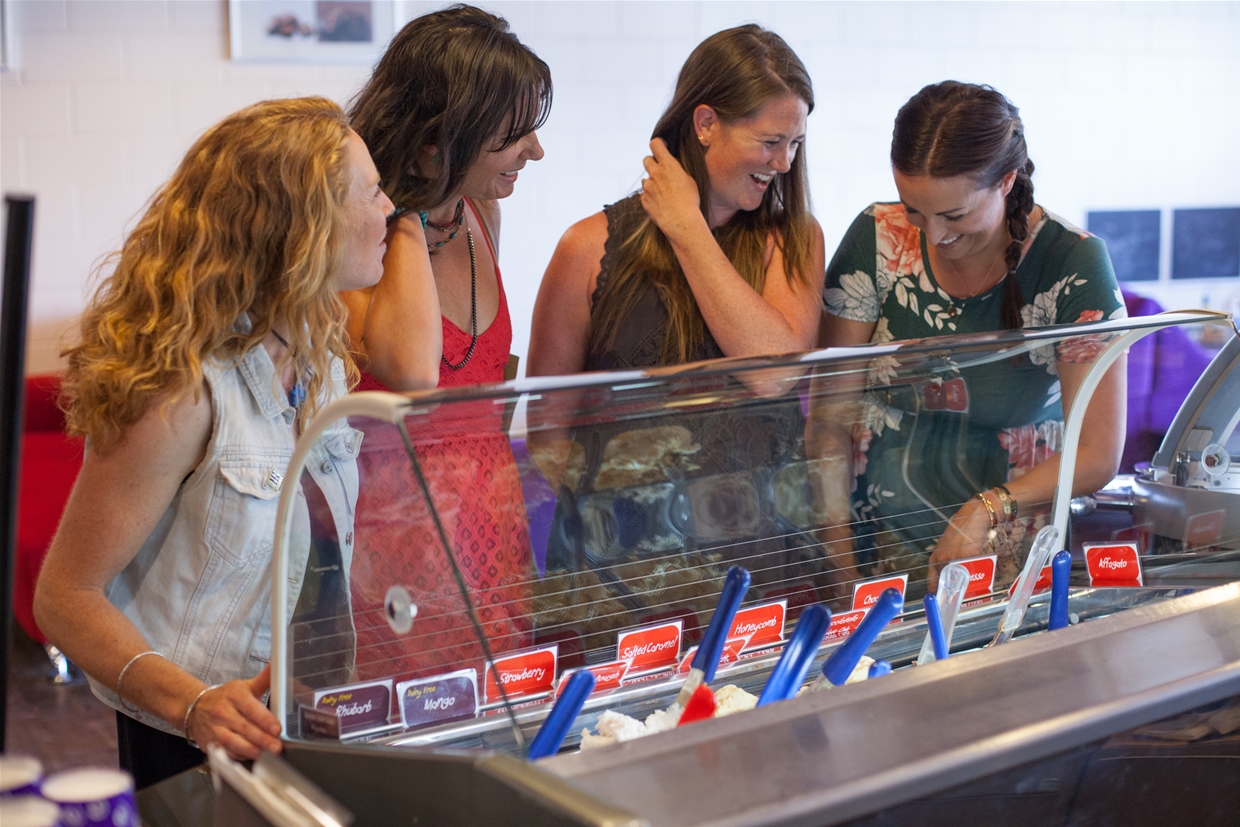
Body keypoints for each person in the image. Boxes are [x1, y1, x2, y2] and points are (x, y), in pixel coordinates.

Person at [34, 97, 394, 788]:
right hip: (191, 736)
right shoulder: (185, 389)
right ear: (305, 226)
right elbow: (65, 595)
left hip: (300, 719)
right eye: (372, 192)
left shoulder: (318, 351)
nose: (390, 211)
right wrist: (191, 702)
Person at [526, 25, 832, 603]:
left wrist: (688, 227)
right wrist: (618, 534)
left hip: (758, 566)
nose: (785, 163)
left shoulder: (793, 239)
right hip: (619, 570)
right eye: (770, 141)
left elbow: (772, 371)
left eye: (795, 144)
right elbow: (547, 431)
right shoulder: (586, 248)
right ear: (706, 123)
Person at [815, 81, 1127, 591]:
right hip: (874, 539)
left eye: (954, 215)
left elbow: (1097, 452)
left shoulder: (1071, 263)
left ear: (1006, 181)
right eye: (914, 209)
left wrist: (984, 508)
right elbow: (828, 419)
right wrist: (839, 565)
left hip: (1008, 547)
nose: (933, 234)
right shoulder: (878, 238)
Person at [342, 4, 551, 682]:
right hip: (395, 540)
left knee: (501, 710)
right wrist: (406, 197)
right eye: (515, 135)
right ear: (441, 139)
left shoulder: (481, 212)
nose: (536, 152)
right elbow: (409, 368)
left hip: (492, 522)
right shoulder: (361, 231)